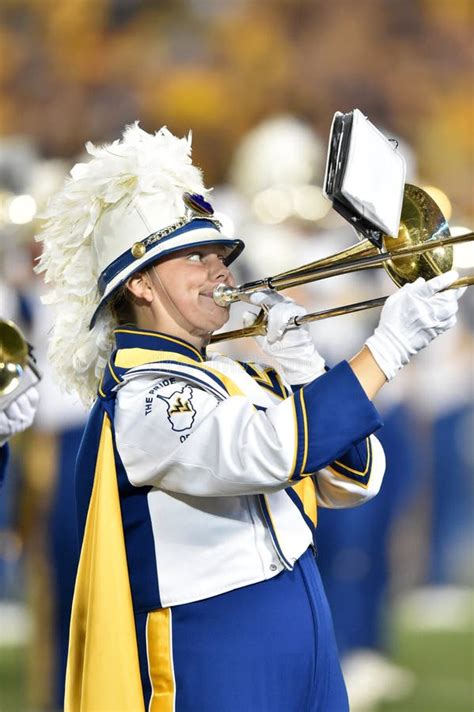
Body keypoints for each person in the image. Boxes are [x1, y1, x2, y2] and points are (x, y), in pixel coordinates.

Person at [35, 123, 465, 712]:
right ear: (139, 282)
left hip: (303, 626)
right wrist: (386, 349)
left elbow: (355, 479)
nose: (220, 270)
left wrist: (306, 364)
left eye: (220, 254)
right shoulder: (143, 398)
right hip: (216, 646)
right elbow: (267, 452)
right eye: (194, 257)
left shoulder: (234, 375)